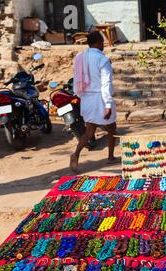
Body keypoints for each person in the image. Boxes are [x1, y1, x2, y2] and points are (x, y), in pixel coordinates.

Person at [70, 31, 118, 173]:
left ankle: (76, 154)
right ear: (97, 42)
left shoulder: (80, 57)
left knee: (90, 130)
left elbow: (76, 77)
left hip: (86, 98)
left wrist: (79, 96)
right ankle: (110, 156)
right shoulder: (102, 60)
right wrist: (108, 104)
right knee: (111, 128)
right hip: (100, 98)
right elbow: (106, 83)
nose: (103, 45)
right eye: (102, 42)